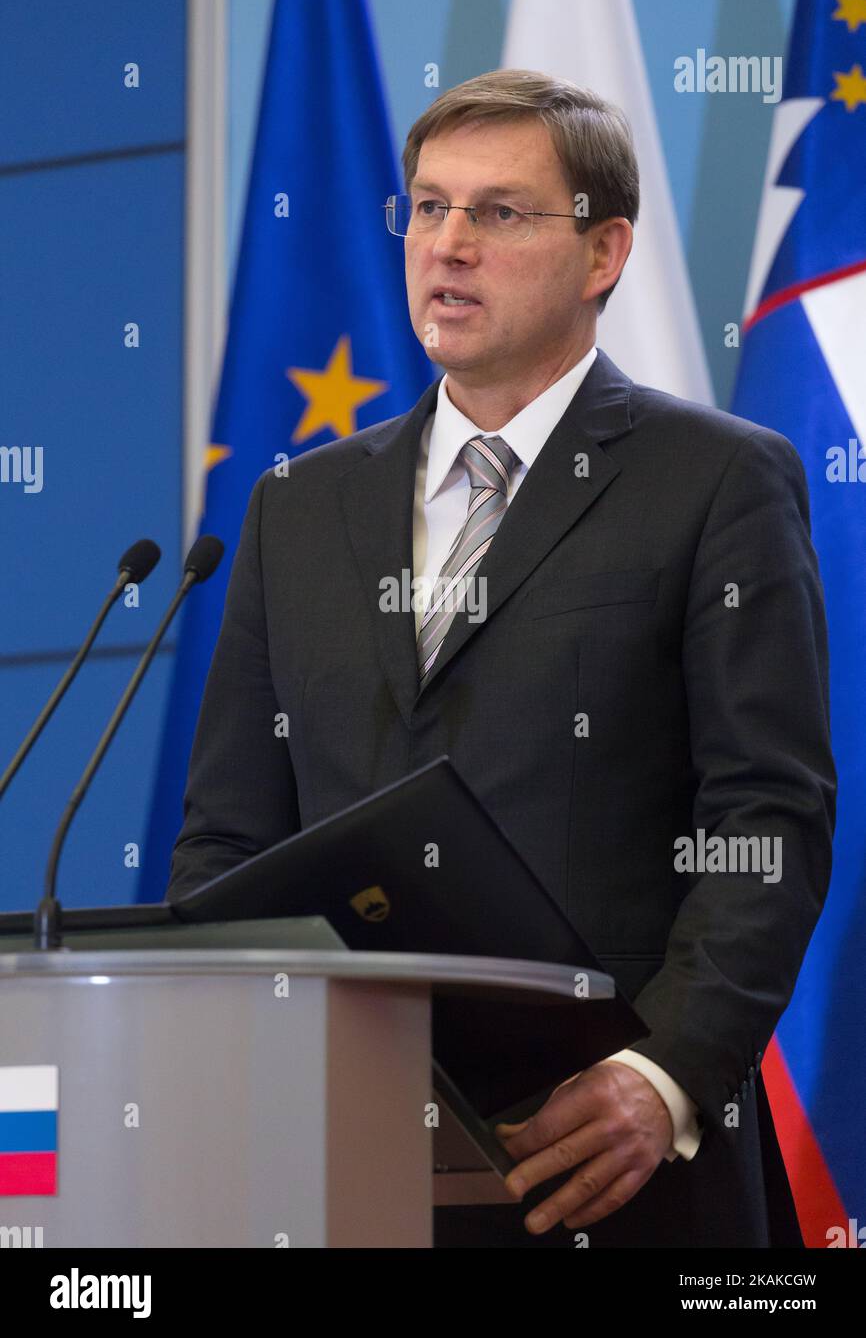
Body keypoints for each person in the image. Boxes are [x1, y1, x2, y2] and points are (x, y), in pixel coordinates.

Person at [167, 70, 836, 1248]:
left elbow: (764, 816)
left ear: (602, 251)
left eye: (499, 212)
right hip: (345, 1167)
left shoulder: (715, 482)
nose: (448, 245)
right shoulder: (296, 508)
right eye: (427, 208)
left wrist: (662, 1076)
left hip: (611, 1169)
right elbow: (229, 839)